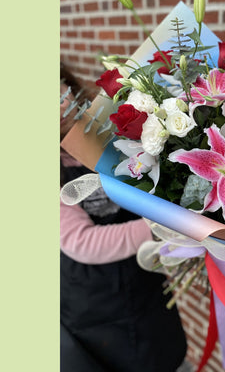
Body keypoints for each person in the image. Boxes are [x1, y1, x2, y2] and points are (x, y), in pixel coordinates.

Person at [60, 62, 188, 372]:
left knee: (164, 352)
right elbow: (80, 242)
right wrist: (165, 226)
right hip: (98, 304)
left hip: (145, 281)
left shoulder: (109, 133)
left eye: (57, 90)